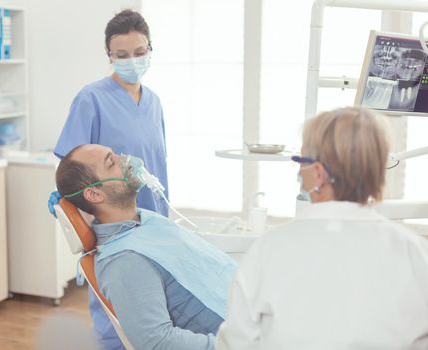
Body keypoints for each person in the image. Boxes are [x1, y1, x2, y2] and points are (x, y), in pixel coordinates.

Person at [216, 106, 428, 350]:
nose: (298, 170)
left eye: (300, 160)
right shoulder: (416, 254)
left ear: (318, 174)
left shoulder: (268, 250)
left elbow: (237, 343)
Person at [48, 10, 168, 349]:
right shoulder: (92, 99)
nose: (132, 60)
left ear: (150, 49)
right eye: (122, 54)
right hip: (114, 232)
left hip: (153, 223)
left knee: (153, 318)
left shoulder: (155, 103)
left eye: (140, 52)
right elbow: (71, 172)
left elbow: (157, 166)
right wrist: (73, 215)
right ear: (109, 56)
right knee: (117, 322)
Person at [55, 144, 238, 350]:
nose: (126, 159)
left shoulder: (145, 221)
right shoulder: (125, 260)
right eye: (111, 162)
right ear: (94, 194)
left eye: (117, 153)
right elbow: (156, 342)